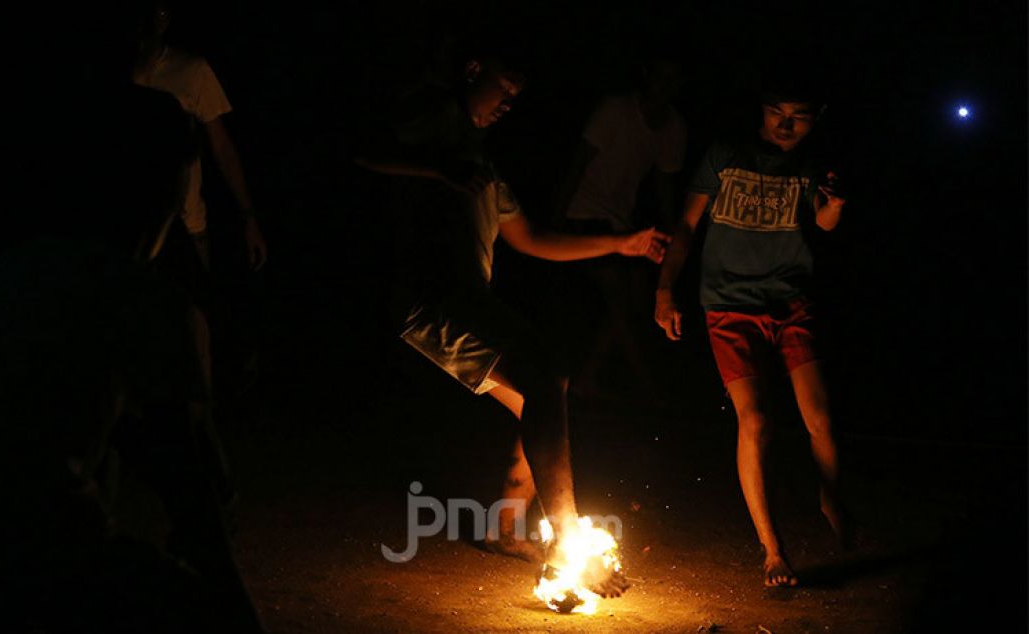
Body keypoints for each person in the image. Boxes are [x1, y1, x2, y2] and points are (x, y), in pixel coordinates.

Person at [0, 77, 264, 632]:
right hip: (38, 562)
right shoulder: (144, 300)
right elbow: (192, 486)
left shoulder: (16, 269)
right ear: (162, 186)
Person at [355, 43, 667, 593]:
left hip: (464, 296)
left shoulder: (482, 162)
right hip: (433, 299)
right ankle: (569, 542)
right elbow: (360, 148)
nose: (511, 99)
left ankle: (504, 529)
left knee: (539, 399)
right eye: (506, 84)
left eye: (520, 92)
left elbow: (533, 239)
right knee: (547, 379)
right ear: (474, 69)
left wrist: (623, 243)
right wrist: (436, 167)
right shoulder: (435, 116)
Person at [652, 73, 850, 587]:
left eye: (799, 115)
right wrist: (665, 289)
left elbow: (823, 225)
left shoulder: (808, 166)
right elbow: (688, 225)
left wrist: (834, 204)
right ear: (761, 112)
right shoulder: (725, 154)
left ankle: (830, 495)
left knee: (821, 417)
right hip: (728, 307)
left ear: (816, 117)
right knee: (756, 420)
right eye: (776, 112)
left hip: (790, 302)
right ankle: (772, 550)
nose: (785, 125)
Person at [556, 48, 687, 401]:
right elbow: (578, 163)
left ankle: (592, 376)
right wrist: (555, 222)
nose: (665, 85)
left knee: (632, 291)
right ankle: (647, 383)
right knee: (617, 288)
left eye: (673, 79)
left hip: (620, 224)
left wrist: (673, 234)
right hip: (582, 215)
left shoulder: (672, 127)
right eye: (659, 76)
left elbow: (664, 186)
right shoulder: (615, 110)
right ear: (646, 75)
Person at [131, 0, 267, 272]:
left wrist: (249, 217)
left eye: (160, 12)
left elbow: (222, 148)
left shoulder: (191, 71)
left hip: (186, 225)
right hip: (135, 228)